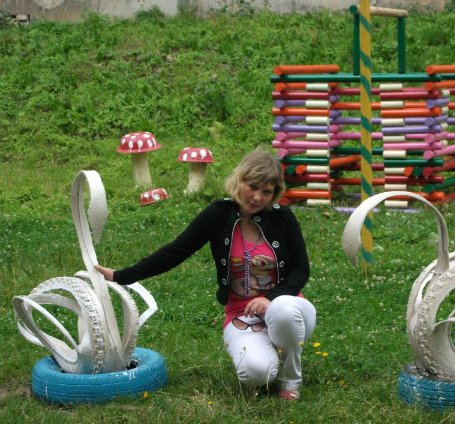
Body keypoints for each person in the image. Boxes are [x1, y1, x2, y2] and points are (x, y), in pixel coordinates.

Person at [95, 149, 316, 400]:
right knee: (256, 374)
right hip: (243, 315)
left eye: (266, 192)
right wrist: (121, 275)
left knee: (282, 309)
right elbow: (176, 251)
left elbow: (301, 268)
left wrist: (270, 298)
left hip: (290, 309)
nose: (257, 197)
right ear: (239, 180)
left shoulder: (282, 217)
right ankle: (269, 353)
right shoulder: (218, 214)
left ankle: (290, 380)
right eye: (252, 187)